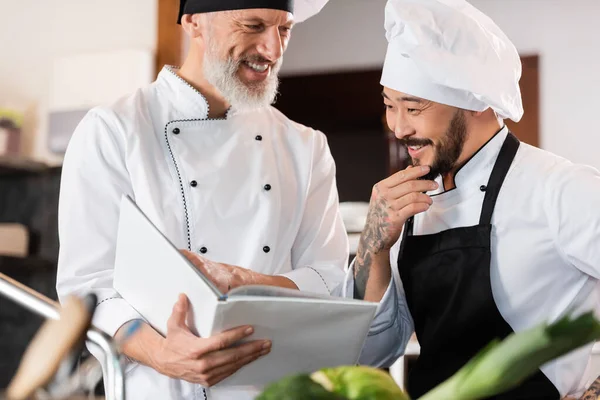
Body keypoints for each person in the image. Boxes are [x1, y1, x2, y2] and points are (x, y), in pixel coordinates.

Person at [56, 0, 348, 399]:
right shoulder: (114, 131)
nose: (273, 50)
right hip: (161, 389)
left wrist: (246, 280)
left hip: (276, 389)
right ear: (194, 23)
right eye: (253, 25)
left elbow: (329, 280)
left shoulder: (305, 147)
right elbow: (91, 288)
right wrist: (161, 352)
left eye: (284, 30)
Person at [343, 0, 600, 398]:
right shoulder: (409, 207)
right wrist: (374, 247)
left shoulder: (559, 189)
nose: (398, 127)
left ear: (478, 101)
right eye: (389, 106)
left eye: (413, 107)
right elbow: (369, 353)